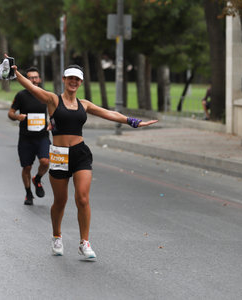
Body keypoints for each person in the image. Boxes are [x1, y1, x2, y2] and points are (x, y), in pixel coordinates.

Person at [12, 60, 158, 260]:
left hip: (80, 153)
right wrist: (15, 73)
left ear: (81, 82)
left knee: (82, 198)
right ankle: (56, 236)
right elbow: (30, 86)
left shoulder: (84, 104)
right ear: (63, 79)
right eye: (70, 78)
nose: (73, 82)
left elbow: (109, 113)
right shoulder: (53, 100)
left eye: (77, 79)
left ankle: (84, 242)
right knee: (60, 201)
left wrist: (133, 121)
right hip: (59, 155)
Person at [8, 67, 50, 206]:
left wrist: (52, 124)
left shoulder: (45, 95)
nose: (33, 80)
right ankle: (28, 194)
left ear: (40, 79)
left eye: (36, 77)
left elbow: (53, 112)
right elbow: (10, 113)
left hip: (42, 136)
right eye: (30, 77)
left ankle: (37, 179)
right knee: (26, 167)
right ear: (26, 79)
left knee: (45, 162)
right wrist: (16, 117)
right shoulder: (21, 95)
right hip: (26, 137)